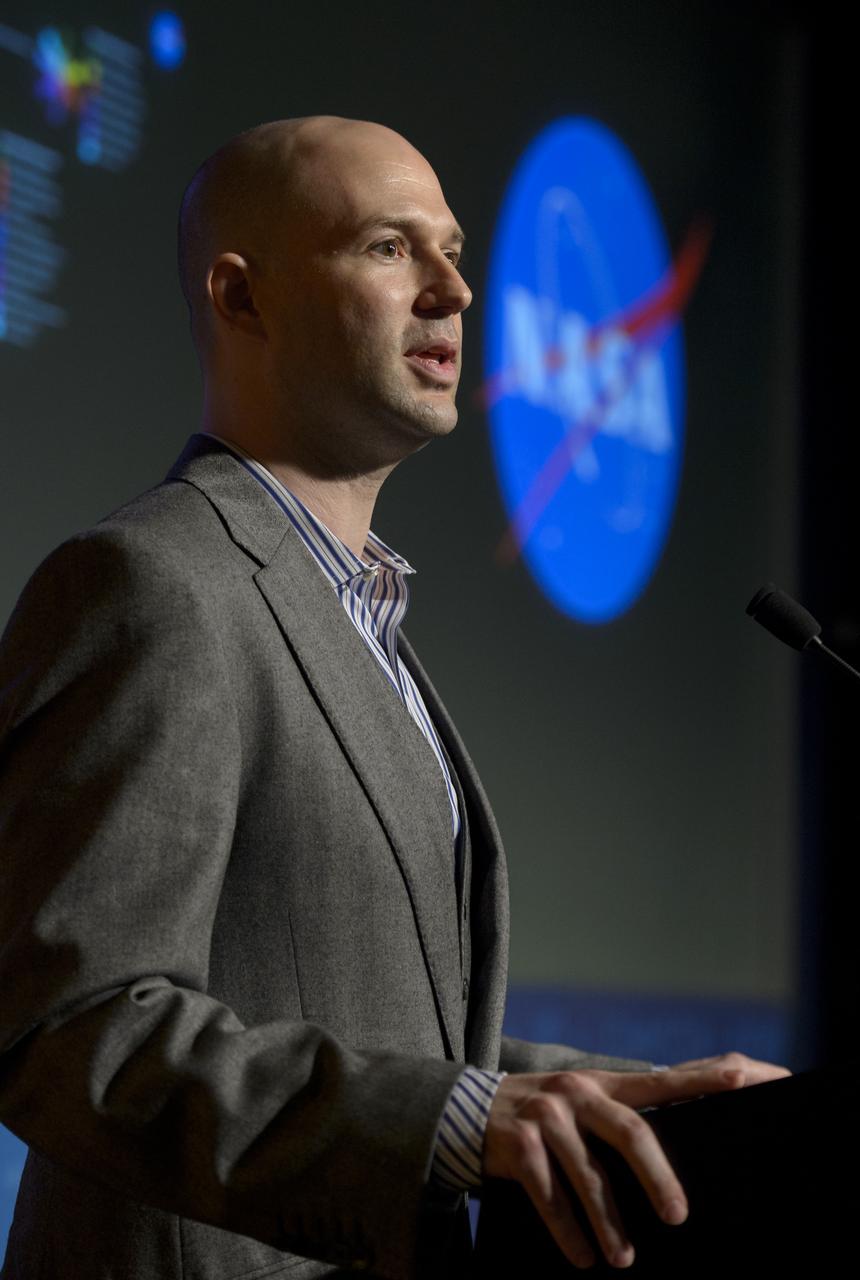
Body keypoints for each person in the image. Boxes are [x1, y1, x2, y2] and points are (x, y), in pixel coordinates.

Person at [0, 116, 787, 1280]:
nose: (455, 290)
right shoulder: (152, 585)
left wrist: (592, 1095)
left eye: (454, 249)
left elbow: (376, 1030)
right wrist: (452, 1122)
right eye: (387, 247)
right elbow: (74, 1026)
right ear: (241, 297)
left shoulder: (358, 617)